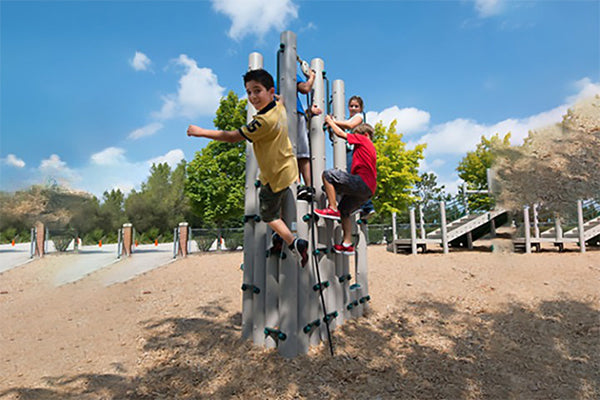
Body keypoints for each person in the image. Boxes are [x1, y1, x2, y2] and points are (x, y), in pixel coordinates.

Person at [187, 68, 308, 267]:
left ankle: (294, 242)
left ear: (270, 91)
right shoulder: (278, 108)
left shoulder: (262, 122)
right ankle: (279, 238)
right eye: (249, 92)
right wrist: (274, 95)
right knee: (279, 205)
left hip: (274, 175)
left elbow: (232, 137)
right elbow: (282, 99)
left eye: (257, 91)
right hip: (288, 168)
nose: (252, 96)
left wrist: (201, 132)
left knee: (267, 214)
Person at [315, 117, 377, 255]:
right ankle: (347, 243)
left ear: (365, 135)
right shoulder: (368, 149)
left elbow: (341, 134)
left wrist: (330, 122)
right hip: (367, 191)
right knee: (345, 211)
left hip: (362, 182)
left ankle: (332, 208)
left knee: (328, 175)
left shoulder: (364, 140)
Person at [330, 96, 376, 219]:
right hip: (348, 149)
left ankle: (367, 207)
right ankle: (361, 206)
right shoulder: (349, 118)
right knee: (352, 176)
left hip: (352, 150)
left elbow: (349, 126)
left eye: (356, 106)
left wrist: (332, 122)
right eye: (351, 106)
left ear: (361, 108)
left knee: (356, 177)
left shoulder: (358, 117)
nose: (354, 108)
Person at [295, 68, 316, 200]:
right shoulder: (291, 75)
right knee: (303, 154)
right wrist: (312, 77)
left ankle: (297, 185)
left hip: (280, 116)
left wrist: (309, 111)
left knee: (291, 153)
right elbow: (305, 88)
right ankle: (308, 186)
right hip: (295, 114)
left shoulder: (274, 82)